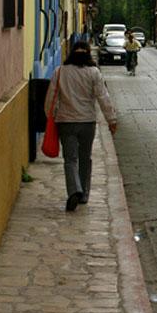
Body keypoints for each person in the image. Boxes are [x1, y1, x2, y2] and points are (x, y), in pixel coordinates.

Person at [45, 41, 118, 212]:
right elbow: (103, 97)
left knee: (70, 159)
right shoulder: (94, 72)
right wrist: (111, 120)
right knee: (85, 158)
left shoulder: (60, 72)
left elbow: (50, 98)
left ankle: (73, 191)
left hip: (65, 122)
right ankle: (83, 193)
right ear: (87, 54)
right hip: (87, 123)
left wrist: (50, 117)